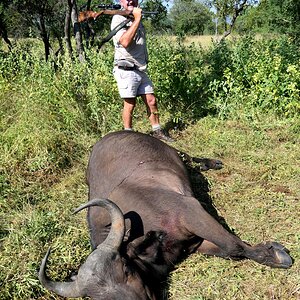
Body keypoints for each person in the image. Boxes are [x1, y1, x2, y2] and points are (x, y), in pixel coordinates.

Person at [111, 0, 173, 142]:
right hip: (126, 68)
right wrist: (137, 19)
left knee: (151, 100)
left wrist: (136, 18)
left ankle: (157, 131)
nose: (130, 1)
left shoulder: (134, 17)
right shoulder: (118, 18)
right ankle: (128, 136)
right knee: (130, 103)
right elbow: (125, 42)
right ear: (121, 1)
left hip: (140, 68)